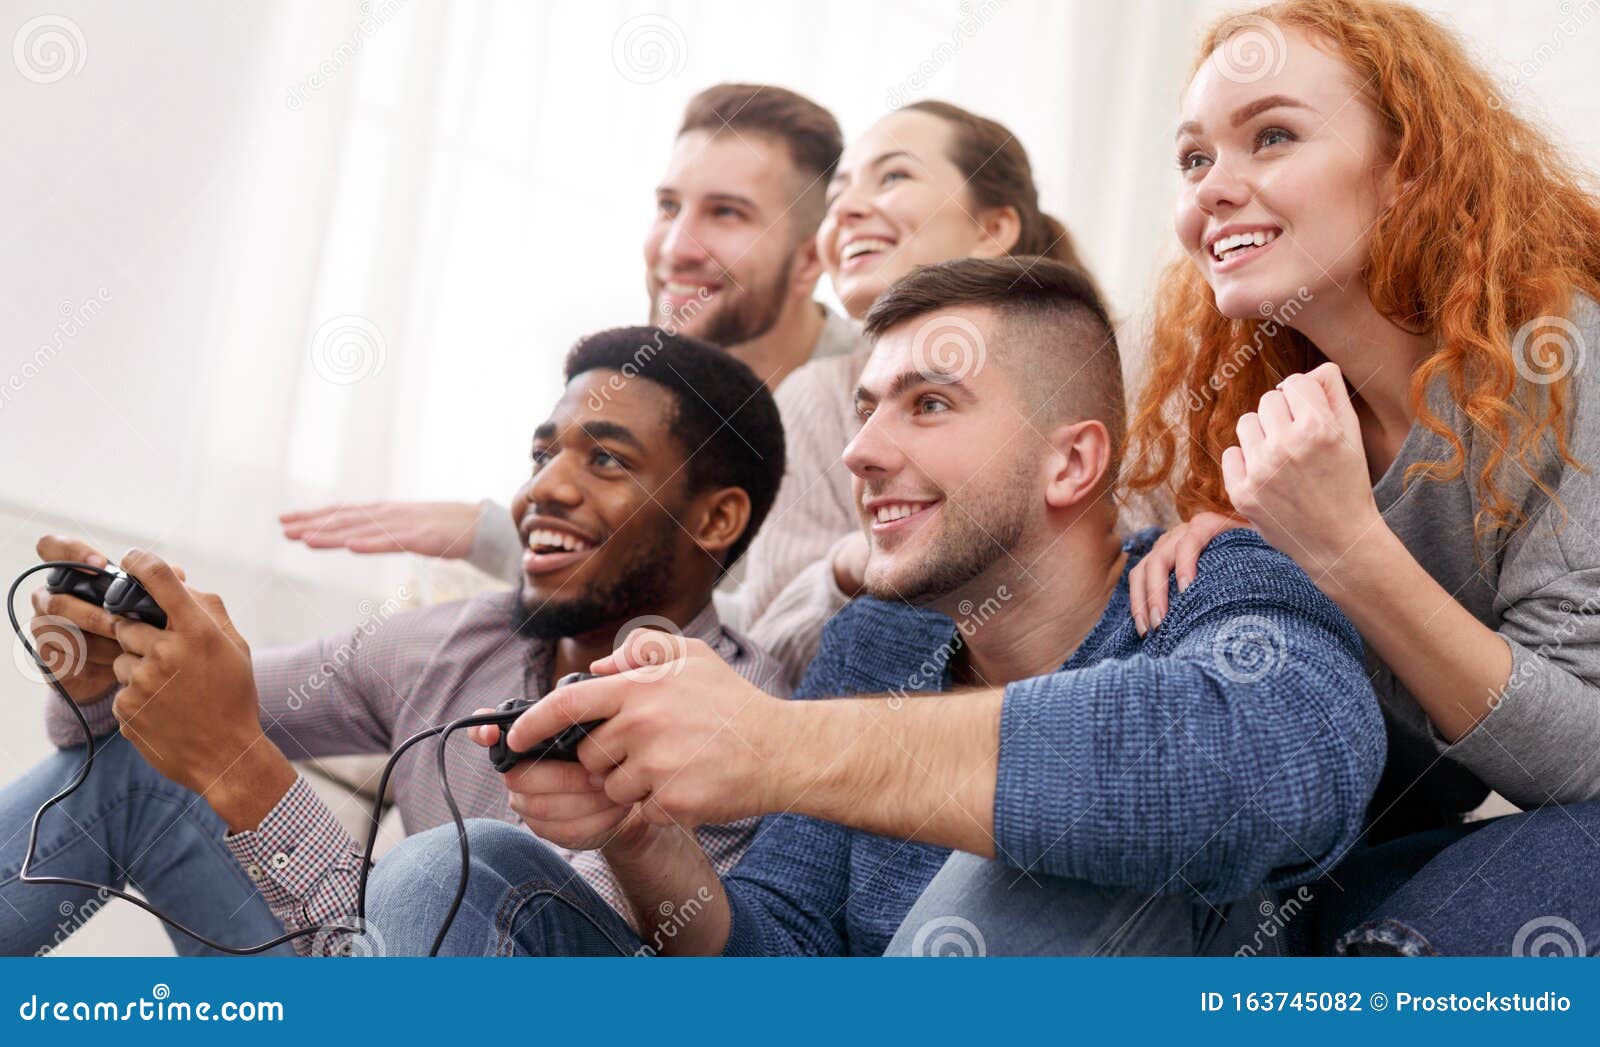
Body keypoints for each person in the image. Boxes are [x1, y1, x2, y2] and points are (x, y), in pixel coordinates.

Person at [363, 257, 1387, 957]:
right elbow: (777, 961)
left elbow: (1285, 770)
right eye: (865, 409)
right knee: (444, 871)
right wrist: (641, 832)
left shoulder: (1211, 584)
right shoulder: (878, 640)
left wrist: (780, 748)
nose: (859, 452)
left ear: (1070, 460)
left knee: (1037, 860)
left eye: (928, 404)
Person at [1, 328, 787, 957]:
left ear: (715, 519)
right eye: (542, 455)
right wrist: (103, 671)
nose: (543, 488)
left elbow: (449, 960)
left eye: (606, 459)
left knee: (462, 866)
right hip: (353, 972)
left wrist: (236, 763)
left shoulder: (738, 720)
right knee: (134, 775)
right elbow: (101, 740)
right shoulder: (448, 641)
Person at [281, 98, 1099, 684]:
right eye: (668, 206)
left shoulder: (1034, 367)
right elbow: (751, 635)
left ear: (806, 257)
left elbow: (741, 640)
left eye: (727, 214)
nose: (677, 245)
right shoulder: (662, 387)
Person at [1118, 0, 1600, 953]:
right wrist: (1266, 577)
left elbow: (1580, 762)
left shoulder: (1560, 358)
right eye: (1195, 158)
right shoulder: (1250, 411)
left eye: (1274, 135)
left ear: (1406, 172)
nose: (1215, 187)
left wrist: (1342, 547)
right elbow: (1396, 792)